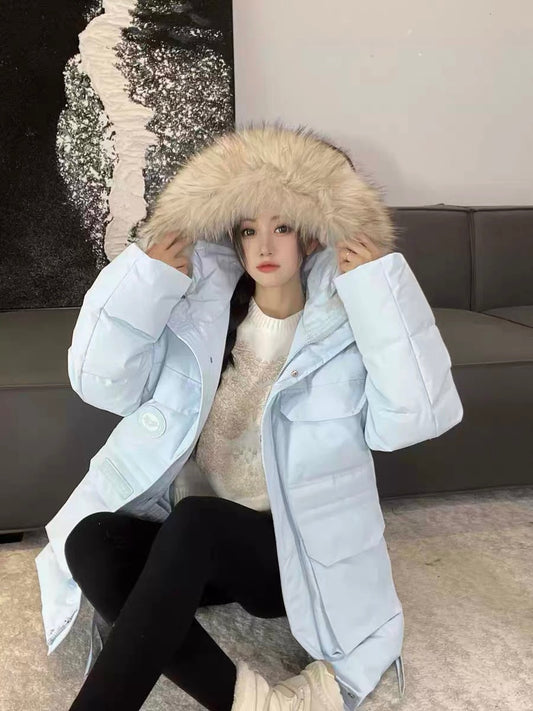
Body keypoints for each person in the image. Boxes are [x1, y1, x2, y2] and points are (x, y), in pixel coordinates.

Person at [36, 121, 464, 711]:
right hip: (193, 548)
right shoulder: (201, 322)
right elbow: (103, 384)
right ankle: (249, 704)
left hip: (290, 558)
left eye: (282, 227)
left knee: (198, 525)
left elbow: (412, 421)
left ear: (311, 236)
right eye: (248, 229)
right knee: (90, 540)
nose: (265, 247)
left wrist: (380, 289)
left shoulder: (349, 331)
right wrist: (145, 278)